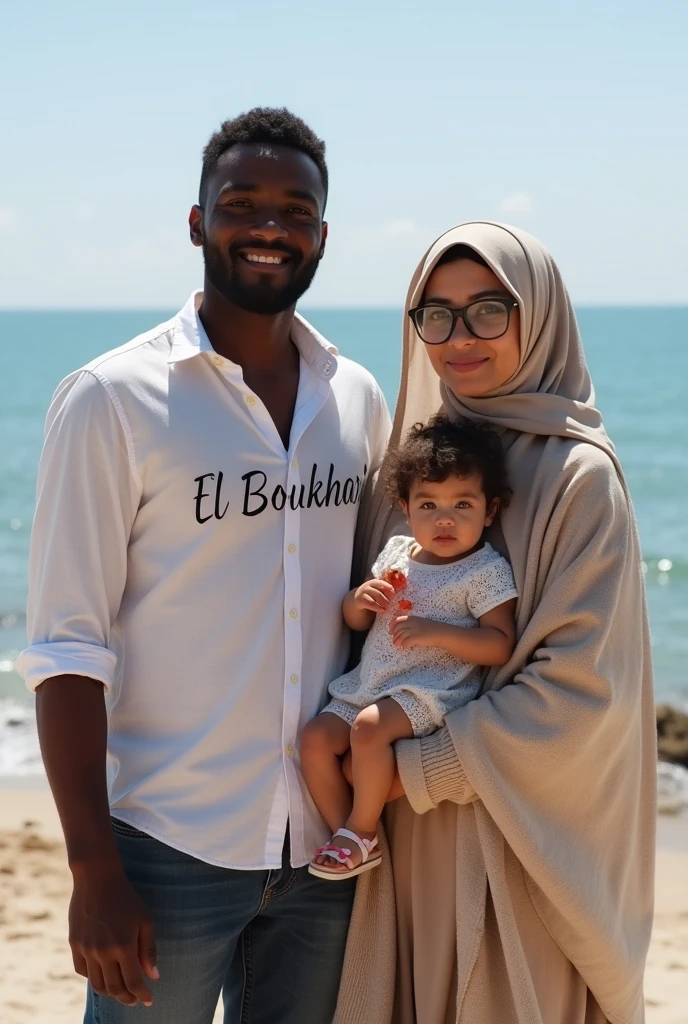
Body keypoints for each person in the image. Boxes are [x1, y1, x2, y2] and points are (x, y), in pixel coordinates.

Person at [17, 107, 391, 1024]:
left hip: (323, 854)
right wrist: (91, 869)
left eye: (296, 211)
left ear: (323, 237)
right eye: (242, 203)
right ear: (198, 223)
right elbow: (68, 646)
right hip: (163, 849)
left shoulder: (357, 398)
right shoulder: (113, 399)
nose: (270, 227)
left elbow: (373, 604)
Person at [333, 223, 655, 1024]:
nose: (458, 337)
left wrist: (417, 771)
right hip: (400, 846)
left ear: (537, 315)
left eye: (487, 309)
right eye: (434, 315)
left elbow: (581, 690)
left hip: (516, 841)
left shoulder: (579, 477)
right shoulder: (419, 465)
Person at [301, 415, 517, 879]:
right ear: (405, 507)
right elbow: (356, 620)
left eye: (463, 504)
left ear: (490, 511)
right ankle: (352, 837)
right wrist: (358, 600)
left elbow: (499, 645)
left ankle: (359, 831)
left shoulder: (483, 571)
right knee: (315, 740)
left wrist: (438, 632)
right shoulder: (397, 552)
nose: (445, 519)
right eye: (428, 504)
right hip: (371, 683)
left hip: (431, 689)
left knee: (367, 732)